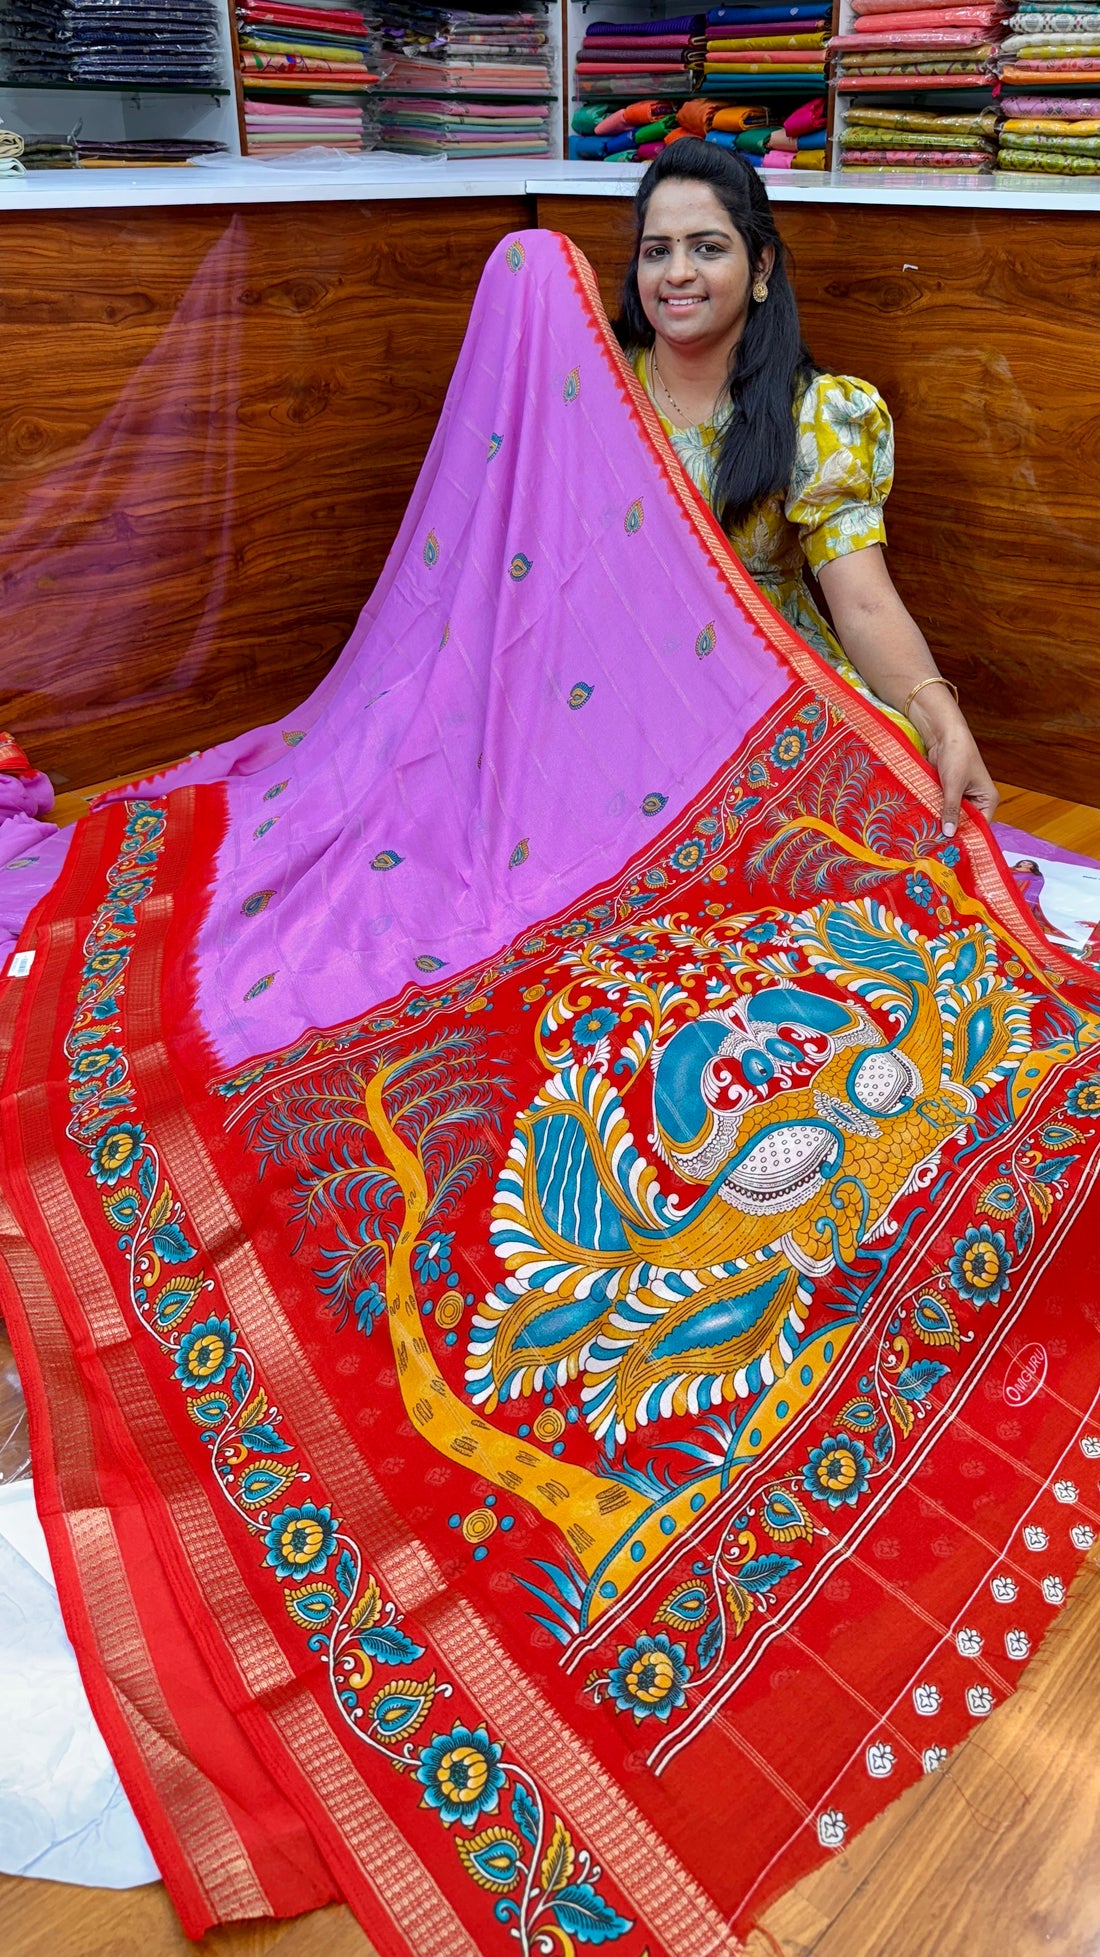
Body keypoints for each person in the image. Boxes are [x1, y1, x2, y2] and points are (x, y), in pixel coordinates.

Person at [614, 138, 998, 838]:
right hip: (611, 670)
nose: (677, 273)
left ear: (760, 264)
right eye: (656, 251)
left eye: (707, 248)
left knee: (876, 796)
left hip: (762, 679)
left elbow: (864, 602)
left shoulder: (812, 413)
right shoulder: (595, 386)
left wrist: (940, 717)